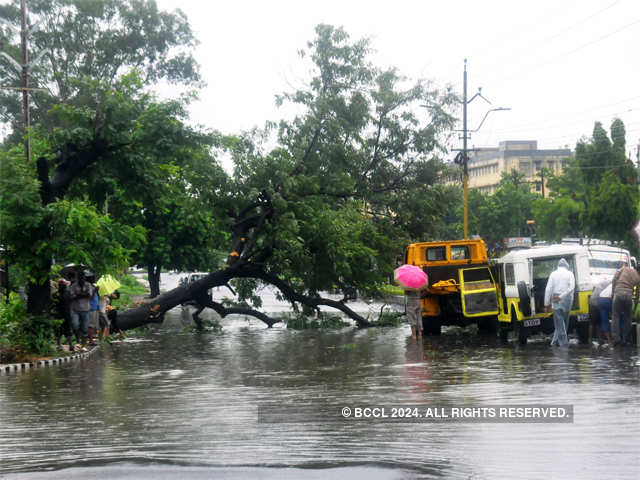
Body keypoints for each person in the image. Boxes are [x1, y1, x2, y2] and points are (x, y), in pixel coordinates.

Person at [544, 258, 575, 347]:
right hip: (568, 299)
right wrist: (562, 297)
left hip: (556, 298)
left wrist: (546, 304)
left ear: (558, 266)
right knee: (563, 323)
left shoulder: (553, 274)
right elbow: (572, 287)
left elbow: (548, 289)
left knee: (559, 322)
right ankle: (556, 343)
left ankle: (563, 345)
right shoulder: (570, 274)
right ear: (567, 266)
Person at [611, 265, 640, 346]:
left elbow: (614, 279)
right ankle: (626, 339)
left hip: (618, 293)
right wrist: (634, 308)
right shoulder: (638, 278)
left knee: (615, 316)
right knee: (628, 318)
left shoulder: (625, 268)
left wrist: (613, 292)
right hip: (629, 295)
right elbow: (637, 295)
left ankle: (616, 339)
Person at [69, 270, 94, 349]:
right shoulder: (73, 286)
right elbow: (72, 297)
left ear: (84, 278)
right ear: (78, 278)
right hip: (75, 309)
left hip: (86, 309)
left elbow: (90, 296)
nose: (81, 280)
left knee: (85, 328)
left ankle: (83, 345)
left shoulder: (88, 285)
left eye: (83, 278)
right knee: (75, 325)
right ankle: (77, 340)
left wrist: (79, 294)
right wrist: (83, 294)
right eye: (80, 278)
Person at [52, 278, 74, 352]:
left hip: (59, 315)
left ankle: (60, 345)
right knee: (67, 330)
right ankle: (70, 345)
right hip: (66, 314)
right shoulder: (68, 293)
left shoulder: (56, 294)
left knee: (59, 331)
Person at [588, 279, 610, 345]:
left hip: (593, 302)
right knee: (593, 322)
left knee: (597, 322)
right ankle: (591, 339)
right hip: (595, 303)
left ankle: (598, 339)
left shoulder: (602, 282)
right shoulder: (610, 284)